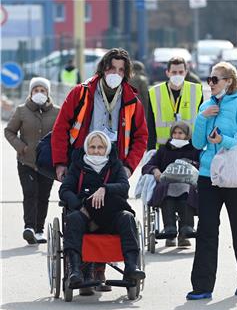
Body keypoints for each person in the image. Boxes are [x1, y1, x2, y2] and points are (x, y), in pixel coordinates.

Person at [51, 47, 148, 290]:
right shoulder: (81, 93)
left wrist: (127, 167)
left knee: (111, 210)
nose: (114, 73)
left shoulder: (131, 101)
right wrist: (61, 162)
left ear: (125, 74)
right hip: (82, 156)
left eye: (120, 70)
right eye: (111, 68)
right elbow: (62, 127)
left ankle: (100, 270)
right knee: (81, 210)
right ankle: (81, 271)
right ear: (103, 68)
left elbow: (141, 137)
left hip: (114, 161)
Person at [59, 131, 145, 289]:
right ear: (86, 148)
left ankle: (131, 268)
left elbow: (124, 187)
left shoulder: (115, 165)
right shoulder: (77, 166)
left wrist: (105, 188)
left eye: (100, 147)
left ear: (106, 149)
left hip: (110, 214)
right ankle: (75, 270)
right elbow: (65, 190)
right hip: (86, 216)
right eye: (92, 147)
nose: (96, 150)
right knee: (73, 219)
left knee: (127, 217)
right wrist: (79, 206)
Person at [186, 62, 237, 300]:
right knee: (206, 229)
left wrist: (224, 139)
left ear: (229, 81)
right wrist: (201, 117)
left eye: (215, 79)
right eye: (209, 79)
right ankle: (202, 286)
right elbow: (198, 144)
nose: (211, 83)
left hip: (235, 175)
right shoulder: (206, 106)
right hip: (209, 175)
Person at [4, 77, 60, 244]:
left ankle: (39, 230)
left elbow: (62, 134)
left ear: (48, 93)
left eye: (43, 90)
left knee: (43, 196)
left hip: (47, 163)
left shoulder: (57, 112)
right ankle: (29, 227)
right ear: (30, 93)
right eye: (36, 90)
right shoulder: (22, 110)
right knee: (30, 193)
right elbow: (9, 131)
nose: (39, 93)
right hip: (26, 162)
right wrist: (21, 147)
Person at [142, 121, 199, 247]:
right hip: (167, 183)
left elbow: (203, 166)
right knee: (166, 190)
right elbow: (148, 166)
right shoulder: (164, 150)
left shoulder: (194, 150)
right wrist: (155, 170)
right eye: (175, 133)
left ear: (187, 135)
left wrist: (193, 166)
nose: (177, 136)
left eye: (180, 133)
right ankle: (170, 228)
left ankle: (186, 228)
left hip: (187, 183)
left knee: (187, 190)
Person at [147, 56, 203, 150]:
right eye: (174, 72)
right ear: (167, 73)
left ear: (186, 72)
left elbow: (201, 123)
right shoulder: (155, 92)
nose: (177, 75)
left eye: (181, 72)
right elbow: (150, 125)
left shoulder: (196, 90)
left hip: (189, 148)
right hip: (164, 149)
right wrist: (150, 150)